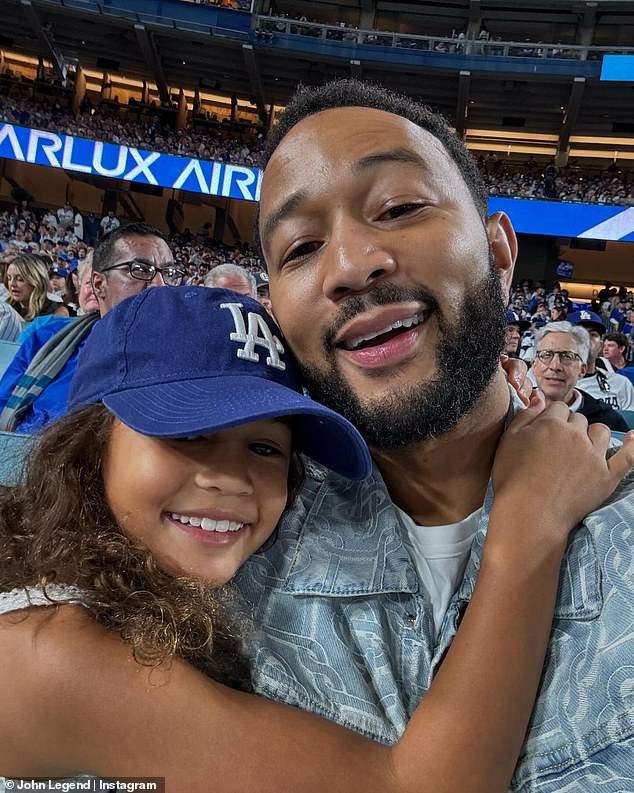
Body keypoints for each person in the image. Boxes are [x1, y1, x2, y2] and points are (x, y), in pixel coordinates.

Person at [1, 286, 631, 793]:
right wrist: (529, 525)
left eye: (264, 447)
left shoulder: (133, 578)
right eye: (186, 432)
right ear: (88, 445)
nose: (229, 478)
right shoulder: (45, 651)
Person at [246, 79, 634, 791]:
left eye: (397, 207)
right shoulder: (224, 554)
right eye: (300, 248)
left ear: (500, 252)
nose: (350, 265)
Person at [0, 223, 177, 433]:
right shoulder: (46, 338)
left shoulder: (183, 359)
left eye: (169, 272)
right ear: (99, 284)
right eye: (139, 270)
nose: (160, 284)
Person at [531, 321, 628, 432]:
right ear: (534, 365)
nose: (555, 366)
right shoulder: (513, 409)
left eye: (567, 356)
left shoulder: (607, 420)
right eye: (546, 354)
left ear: (582, 370)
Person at [568, 308, 634, 410]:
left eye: (593, 334)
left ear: (601, 345)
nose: (586, 340)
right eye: (579, 334)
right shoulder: (548, 383)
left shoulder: (621, 384)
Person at [4, 253, 69, 322]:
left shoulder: (58, 312)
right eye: (9, 278)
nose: (12, 284)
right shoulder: (6, 308)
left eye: (20, 279)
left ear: (36, 281)